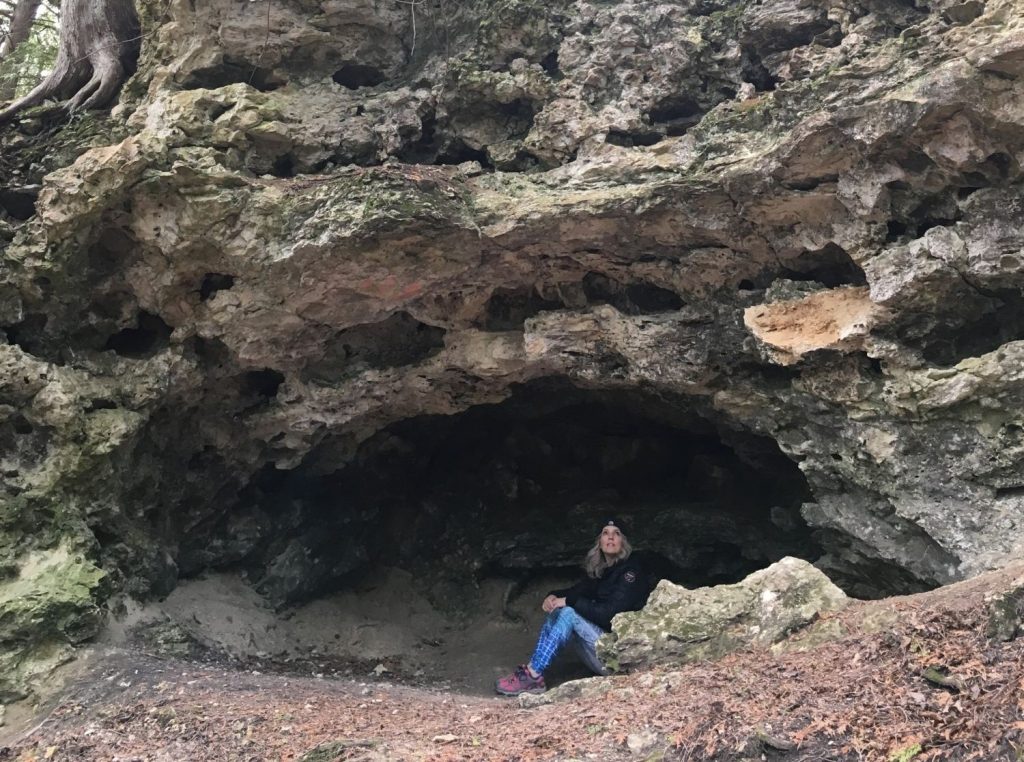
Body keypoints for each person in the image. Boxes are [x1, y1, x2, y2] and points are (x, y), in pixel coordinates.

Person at [495, 519, 648, 696]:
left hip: (618, 658)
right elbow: (575, 592)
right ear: (599, 541)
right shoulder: (603, 570)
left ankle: (533, 675)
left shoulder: (631, 573)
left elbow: (609, 615)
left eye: (617, 533)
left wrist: (568, 601)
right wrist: (553, 596)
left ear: (624, 542)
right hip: (600, 652)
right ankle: (532, 673)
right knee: (560, 609)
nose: (611, 537)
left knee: (568, 612)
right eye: (606, 533)